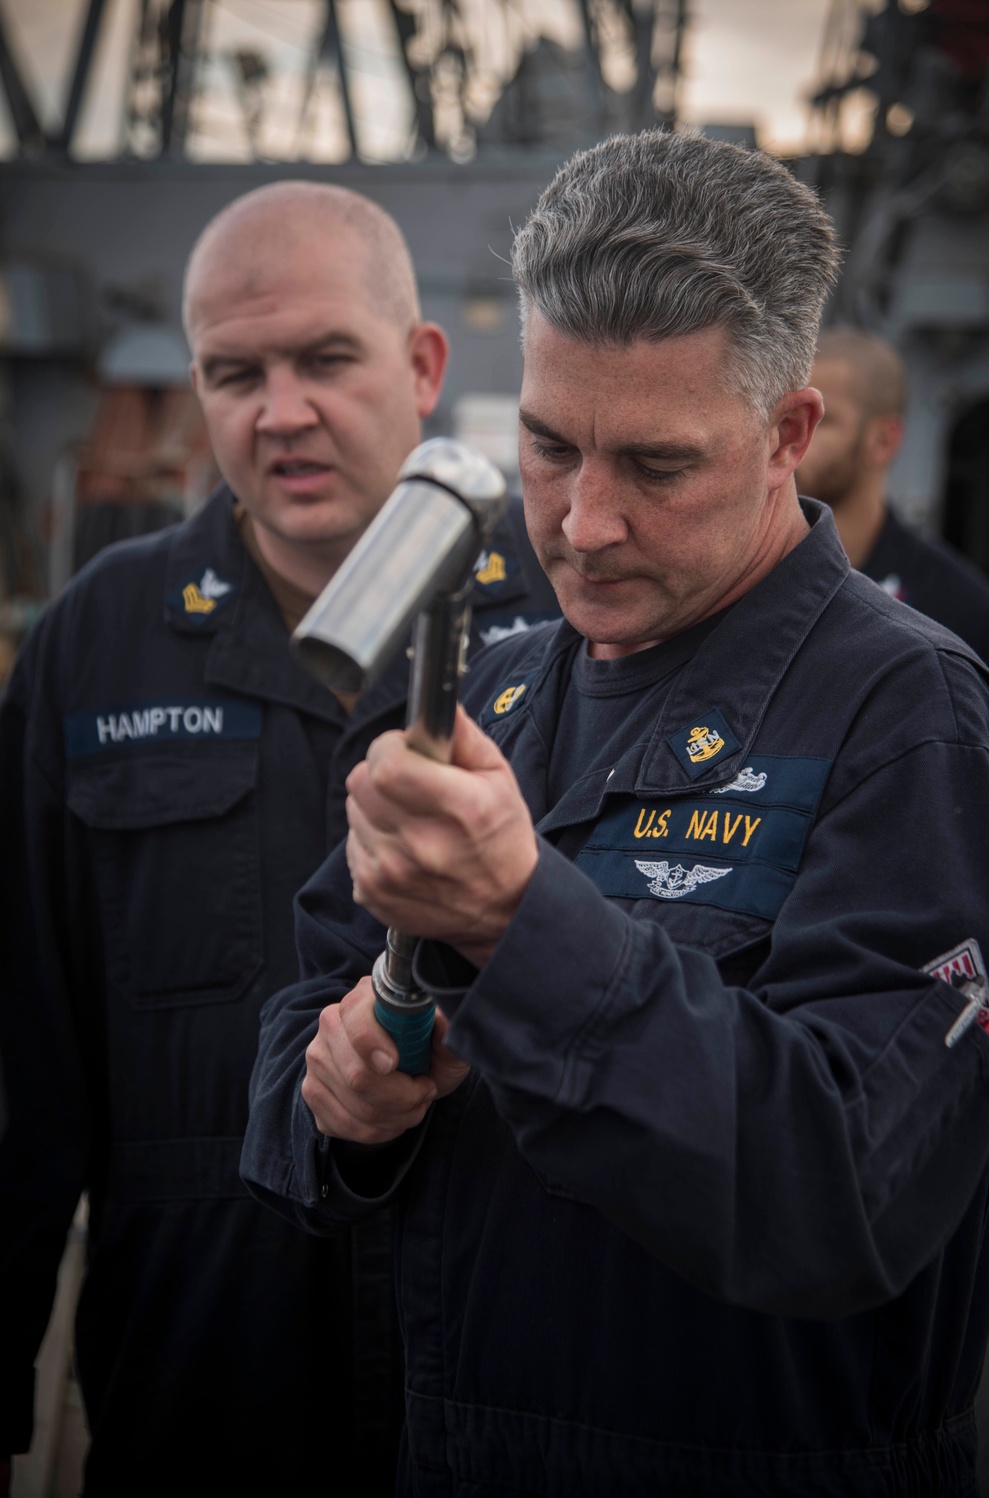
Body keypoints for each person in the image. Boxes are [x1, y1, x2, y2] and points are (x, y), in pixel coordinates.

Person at [242, 133, 989, 1497]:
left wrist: (518, 922)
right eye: (547, 446)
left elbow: (846, 1190)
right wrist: (335, 1089)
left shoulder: (911, 719)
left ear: (790, 437)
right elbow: (297, 1023)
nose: (583, 524)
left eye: (656, 466)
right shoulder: (494, 687)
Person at [0, 181, 557, 1497]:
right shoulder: (100, 640)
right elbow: (23, 1058)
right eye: (233, 372)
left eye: (324, 358)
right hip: (202, 1364)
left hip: (503, 1360)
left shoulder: (560, 619)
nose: (280, 411)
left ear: (422, 365)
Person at [795, 325, 989, 672]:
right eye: (785, 417)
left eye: (822, 422)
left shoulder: (966, 615)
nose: (790, 438)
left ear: (883, 441)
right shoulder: (739, 578)